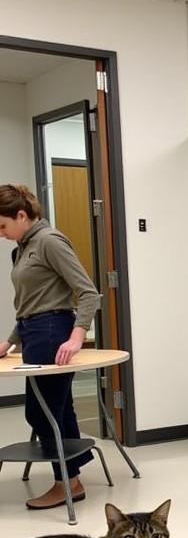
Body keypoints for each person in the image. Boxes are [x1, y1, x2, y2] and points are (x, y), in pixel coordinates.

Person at [0, 184, 101, 508]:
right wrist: (10, 341)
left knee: (40, 412)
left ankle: (67, 481)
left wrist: (76, 335)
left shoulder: (49, 241)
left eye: (3, 226)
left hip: (52, 330)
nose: (1, 234)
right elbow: (30, 303)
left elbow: (87, 292)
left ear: (21, 215)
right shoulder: (21, 248)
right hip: (33, 332)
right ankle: (73, 475)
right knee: (58, 408)